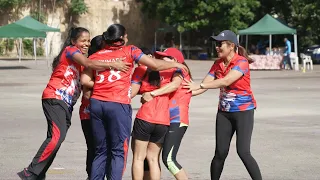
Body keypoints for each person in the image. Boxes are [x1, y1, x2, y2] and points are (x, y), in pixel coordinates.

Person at [17, 27, 130, 180]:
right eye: (83, 40)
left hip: (65, 104)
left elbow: (88, 72)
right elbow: (89, 62)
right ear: (73, 41)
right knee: (56, 137)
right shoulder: (71, 51)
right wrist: (113, 64)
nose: (86, 44)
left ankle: (39, 173)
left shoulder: (82, 63)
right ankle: (30, 172)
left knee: (58, 138)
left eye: (88, 41)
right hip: (55, 97)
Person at [80, 24, 187, 180]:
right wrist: (175, 64)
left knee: (100, 150)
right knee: (118, 151)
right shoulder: (130, 50)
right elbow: (155, 65)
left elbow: (84, 80)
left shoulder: (96, 55)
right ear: (122, 38)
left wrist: (104, 84)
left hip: (96, 103)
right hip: (118, 104)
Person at [183, 30, 262, 180]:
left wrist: (198, 84)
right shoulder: (217, 64)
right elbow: (204, 86)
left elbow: (226, 81)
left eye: (220, 44)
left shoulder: (241, 62)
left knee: (243, 151)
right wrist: (184, 94)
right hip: (224, 113)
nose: (217, 47)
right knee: (220, 152)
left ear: (231, 46)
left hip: (243, 112)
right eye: (216, 44)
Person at [130, 49, 184, 180]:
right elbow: (176, 85)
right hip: (163, 120)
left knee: (138, 157)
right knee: (153, 159)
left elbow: (131, 92)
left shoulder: (142, 70)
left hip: (145, 117)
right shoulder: (175, 72)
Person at [79, 35, 105, 180]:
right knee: (96, 148)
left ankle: (94, 176)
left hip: (89, 112)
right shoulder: (90, 64)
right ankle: (93, 176)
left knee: (95, 148)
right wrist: (106, 85)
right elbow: (87, 92)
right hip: (91, 112)